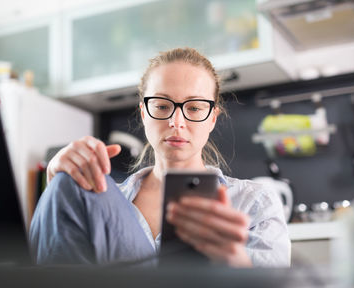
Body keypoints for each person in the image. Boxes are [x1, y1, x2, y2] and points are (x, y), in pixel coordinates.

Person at [29, 47, 290, 267]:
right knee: (65, 182)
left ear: (212, 118)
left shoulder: (255, 202)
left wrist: (234, 263)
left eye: (195, 107)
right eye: (162, 106)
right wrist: (59, 184)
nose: (177, 122)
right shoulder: (105, 203)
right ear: (143, 113)